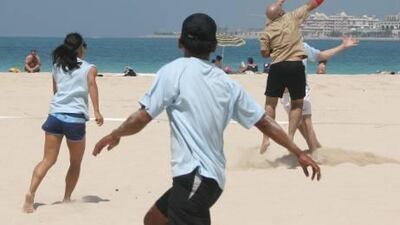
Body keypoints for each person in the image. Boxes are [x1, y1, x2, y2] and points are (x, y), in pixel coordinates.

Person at [92, 13, 321, 225]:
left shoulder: (174, 71)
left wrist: (116, 134)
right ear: (213, 46)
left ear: (180, 42)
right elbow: (264, 122)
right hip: (209, 180)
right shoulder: (227, 83)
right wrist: (298, 151)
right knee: (154, 219)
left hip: (196, 176)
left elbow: (142, 117)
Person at [23, 33, 104, 213]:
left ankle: (30, 193)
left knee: (47, 160)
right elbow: (92, 86)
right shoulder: (89, 68)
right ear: (81, 48)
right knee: (75, 162)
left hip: (55, 116)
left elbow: (55, 91)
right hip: (74, 120)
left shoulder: (57, 66)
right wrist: (97, 111)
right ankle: (66, 198)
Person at [262, 37, 359, 154]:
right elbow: (322, 56)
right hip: (298, 87)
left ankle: (314, 146)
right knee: (305, 121)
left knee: (298, 121)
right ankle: (314, 150)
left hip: (284, 91)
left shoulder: (277, 43)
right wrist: (343, 46)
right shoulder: (301, 46)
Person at [259, 0, 325, 152]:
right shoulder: (292, 17)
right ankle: (289, 137)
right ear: (281, 12)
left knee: (270, 103)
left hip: (276, 67)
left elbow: (264, 54)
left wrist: (274, 48)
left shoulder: (266, 31)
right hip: (295, 66)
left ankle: (266, 138)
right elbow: (312, 4)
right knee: (297, 104)